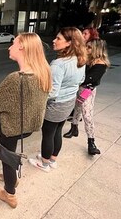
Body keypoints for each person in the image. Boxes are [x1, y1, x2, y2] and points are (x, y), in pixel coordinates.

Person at [0, 33, 52, 208]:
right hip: (29, 126)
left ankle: (10, 193)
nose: (9, 47)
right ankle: (11, 178)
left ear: (22, 47)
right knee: (11, 154)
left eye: (13, 43)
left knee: (7, 158)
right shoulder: (44, 72)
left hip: (10, 126)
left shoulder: (16, 79)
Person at [29, 27, 87, 172]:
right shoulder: (79, 59)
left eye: (58, 39)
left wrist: (37, 99)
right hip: (68, 103)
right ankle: (52, 159)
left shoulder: (59, 64)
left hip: (55, 105)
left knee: (48, 134)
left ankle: (44, 163)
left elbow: (52, 92)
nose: (54, 41)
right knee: (57, 131)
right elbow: (82, 80)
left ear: (69, 43)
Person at [63, 39, 110, 155]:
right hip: (79, 88)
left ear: (96, 49)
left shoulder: (101, 64)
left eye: (89, 47)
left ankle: (91, 142)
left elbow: (89, 79)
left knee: (87, 115)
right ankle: (74, 128)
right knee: (77, 109)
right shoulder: (87, 60)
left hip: (88, 90)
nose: (86, 49)